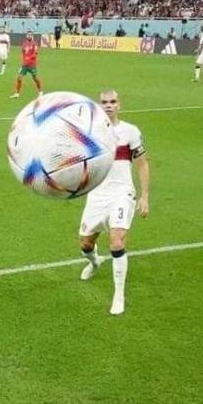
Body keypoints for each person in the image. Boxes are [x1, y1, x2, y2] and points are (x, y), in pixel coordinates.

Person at [78, 90, 151, 316]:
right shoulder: (90, 132)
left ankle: (118, 296)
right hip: (97, 195)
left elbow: (142, 164)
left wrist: (144, 196)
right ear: (99, 106)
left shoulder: (130, 131)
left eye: (112, 102)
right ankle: (94, 262)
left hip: (122, 192)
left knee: (117, 241)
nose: (108, 105)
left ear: (119, 105)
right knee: (85, 244)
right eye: (104, 102)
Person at [10, 31, 43, 99]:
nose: (29, 36)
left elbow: (35, 53)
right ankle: (17, 94)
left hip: (32, 64)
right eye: (28, 35)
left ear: (32, 36)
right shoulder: (24, 44)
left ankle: (40, 92)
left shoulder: (34, 44)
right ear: (26, 36)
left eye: (30, 35)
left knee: (35, 78)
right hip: (25, 65)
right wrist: (23, 61)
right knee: (19, 78)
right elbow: (23, 53)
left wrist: (29, 58)